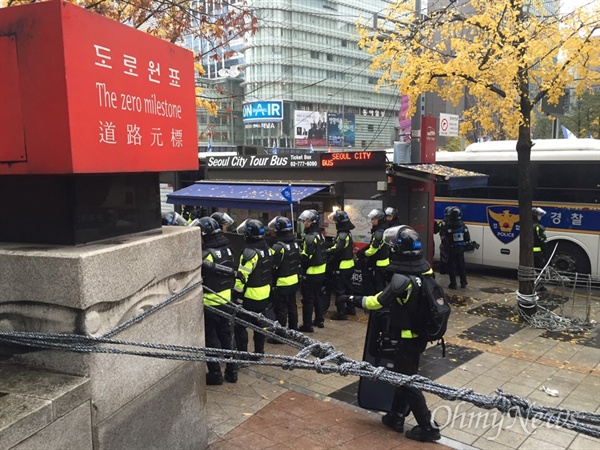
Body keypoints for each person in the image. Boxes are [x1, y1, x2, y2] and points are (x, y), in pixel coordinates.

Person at [339, 226, 441, 443]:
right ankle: (395, 416)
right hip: (420, 336)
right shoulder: (424, 272)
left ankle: (427, 426)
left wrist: (350, 299)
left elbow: (376, 302)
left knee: (406, 381)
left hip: (405, 338)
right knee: (405, 376)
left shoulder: (401, 280)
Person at [197, 217, 238, 385]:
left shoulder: (205, 254)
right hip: (226, 301)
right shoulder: (228, 249)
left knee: (211, 340)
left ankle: (215, 374)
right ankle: (232, 371)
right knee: (227, 336)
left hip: (210, 303)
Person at [233, 219, 274, 356]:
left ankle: (243, 355)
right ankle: (259, 353)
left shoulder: (249, 253)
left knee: (240, 326)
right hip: (264, 294)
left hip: (249, 296)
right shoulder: (268, 250)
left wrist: (236, 296)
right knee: (259, 326)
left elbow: (241, 278)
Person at [268, 216, 301, 334]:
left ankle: (280, 334)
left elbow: (273, 267)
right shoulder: (295, 244)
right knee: (292, 306)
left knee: (281, 309)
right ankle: (294, 331)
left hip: (281, 284)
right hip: (294, 281)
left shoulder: (278, 247)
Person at [298, 209, 327, 332]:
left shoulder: (310, 237)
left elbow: (306, 257)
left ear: (313, 222)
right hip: (321, 271)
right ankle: (319, 319)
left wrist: (298, 253)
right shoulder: (320, 235)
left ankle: (307, 324)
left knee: (308, 299)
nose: (305, 222)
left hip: (311, 272)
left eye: (307, 220)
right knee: (317, 296)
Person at [325, 210, 356, 321]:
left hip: (342, 266)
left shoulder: (342, 234)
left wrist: (326, 251)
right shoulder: (347, 232)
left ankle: (341, 313)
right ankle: (351, 309)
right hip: (349, 265)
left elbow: (337, 248)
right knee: (349, 289)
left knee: (340, 290)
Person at [358, 208, 390, 295]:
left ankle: (380, 306)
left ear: (380, 220)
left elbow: (372, 250)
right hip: (385, 262)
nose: (372, 221)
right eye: (372, 219)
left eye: (374, 219)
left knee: (378, 286)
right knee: (383, 285)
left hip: (378, 264)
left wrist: (362, 254)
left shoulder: (378, 233)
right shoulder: (384, 230)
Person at [440, 206, 471, 289]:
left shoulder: (448, 226)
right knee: (461, 265)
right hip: (461, 249)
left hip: (452, 248)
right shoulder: (463, 226)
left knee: (452, 266)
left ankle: (453, 284)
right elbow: (467, 238)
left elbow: (444, 237)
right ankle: (463, 282)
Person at [532, 207, 548, 291]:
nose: (540, 217)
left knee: (532, 270)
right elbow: (542, 241)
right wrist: (546, 254)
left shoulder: (528, 226)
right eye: (539, 215)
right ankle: (540, 287)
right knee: (540, 270)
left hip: (529, 253)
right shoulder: (538, 227)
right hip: (538, 253)